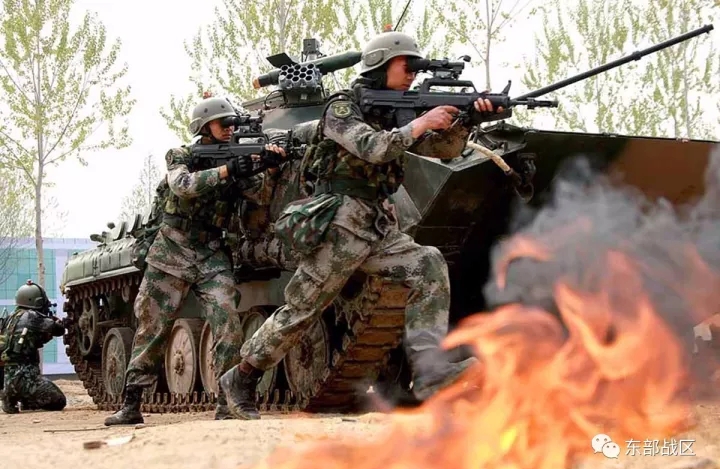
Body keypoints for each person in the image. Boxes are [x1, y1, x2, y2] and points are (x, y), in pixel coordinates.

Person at [220, 31, 504, 420]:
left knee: (427, 263)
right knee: (303, 309)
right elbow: (373, 148)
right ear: (380, 65)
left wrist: (467, 121)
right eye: (407, 66)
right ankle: (241, 377)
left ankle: (430, 373)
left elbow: (440, 150)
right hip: (340, 223)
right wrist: (422, 122)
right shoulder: (342, 108)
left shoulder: (397, 115)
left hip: (378, 223)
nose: (412, 74)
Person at [104, 96, 286, 426]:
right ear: (204, 127)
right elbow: (183, 185)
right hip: (171, 249)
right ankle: (131, 404)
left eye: (232, 124)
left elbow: (259, 200)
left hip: (212, 252)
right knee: (152, 328)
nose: (229, 129)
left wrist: (269, 168)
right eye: (223, 124)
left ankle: (227, 402)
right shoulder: (181, 155)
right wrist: (229, 169)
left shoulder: (238, 159)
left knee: (227, 323)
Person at [1, 280, 69, 414]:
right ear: (36, 302)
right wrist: (60, 322)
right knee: (59, 400)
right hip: (26, 379)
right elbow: (58, 330)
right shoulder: (33, 316)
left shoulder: (10, 318)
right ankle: (27, 398)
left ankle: (9, 397)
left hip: (7, 379)